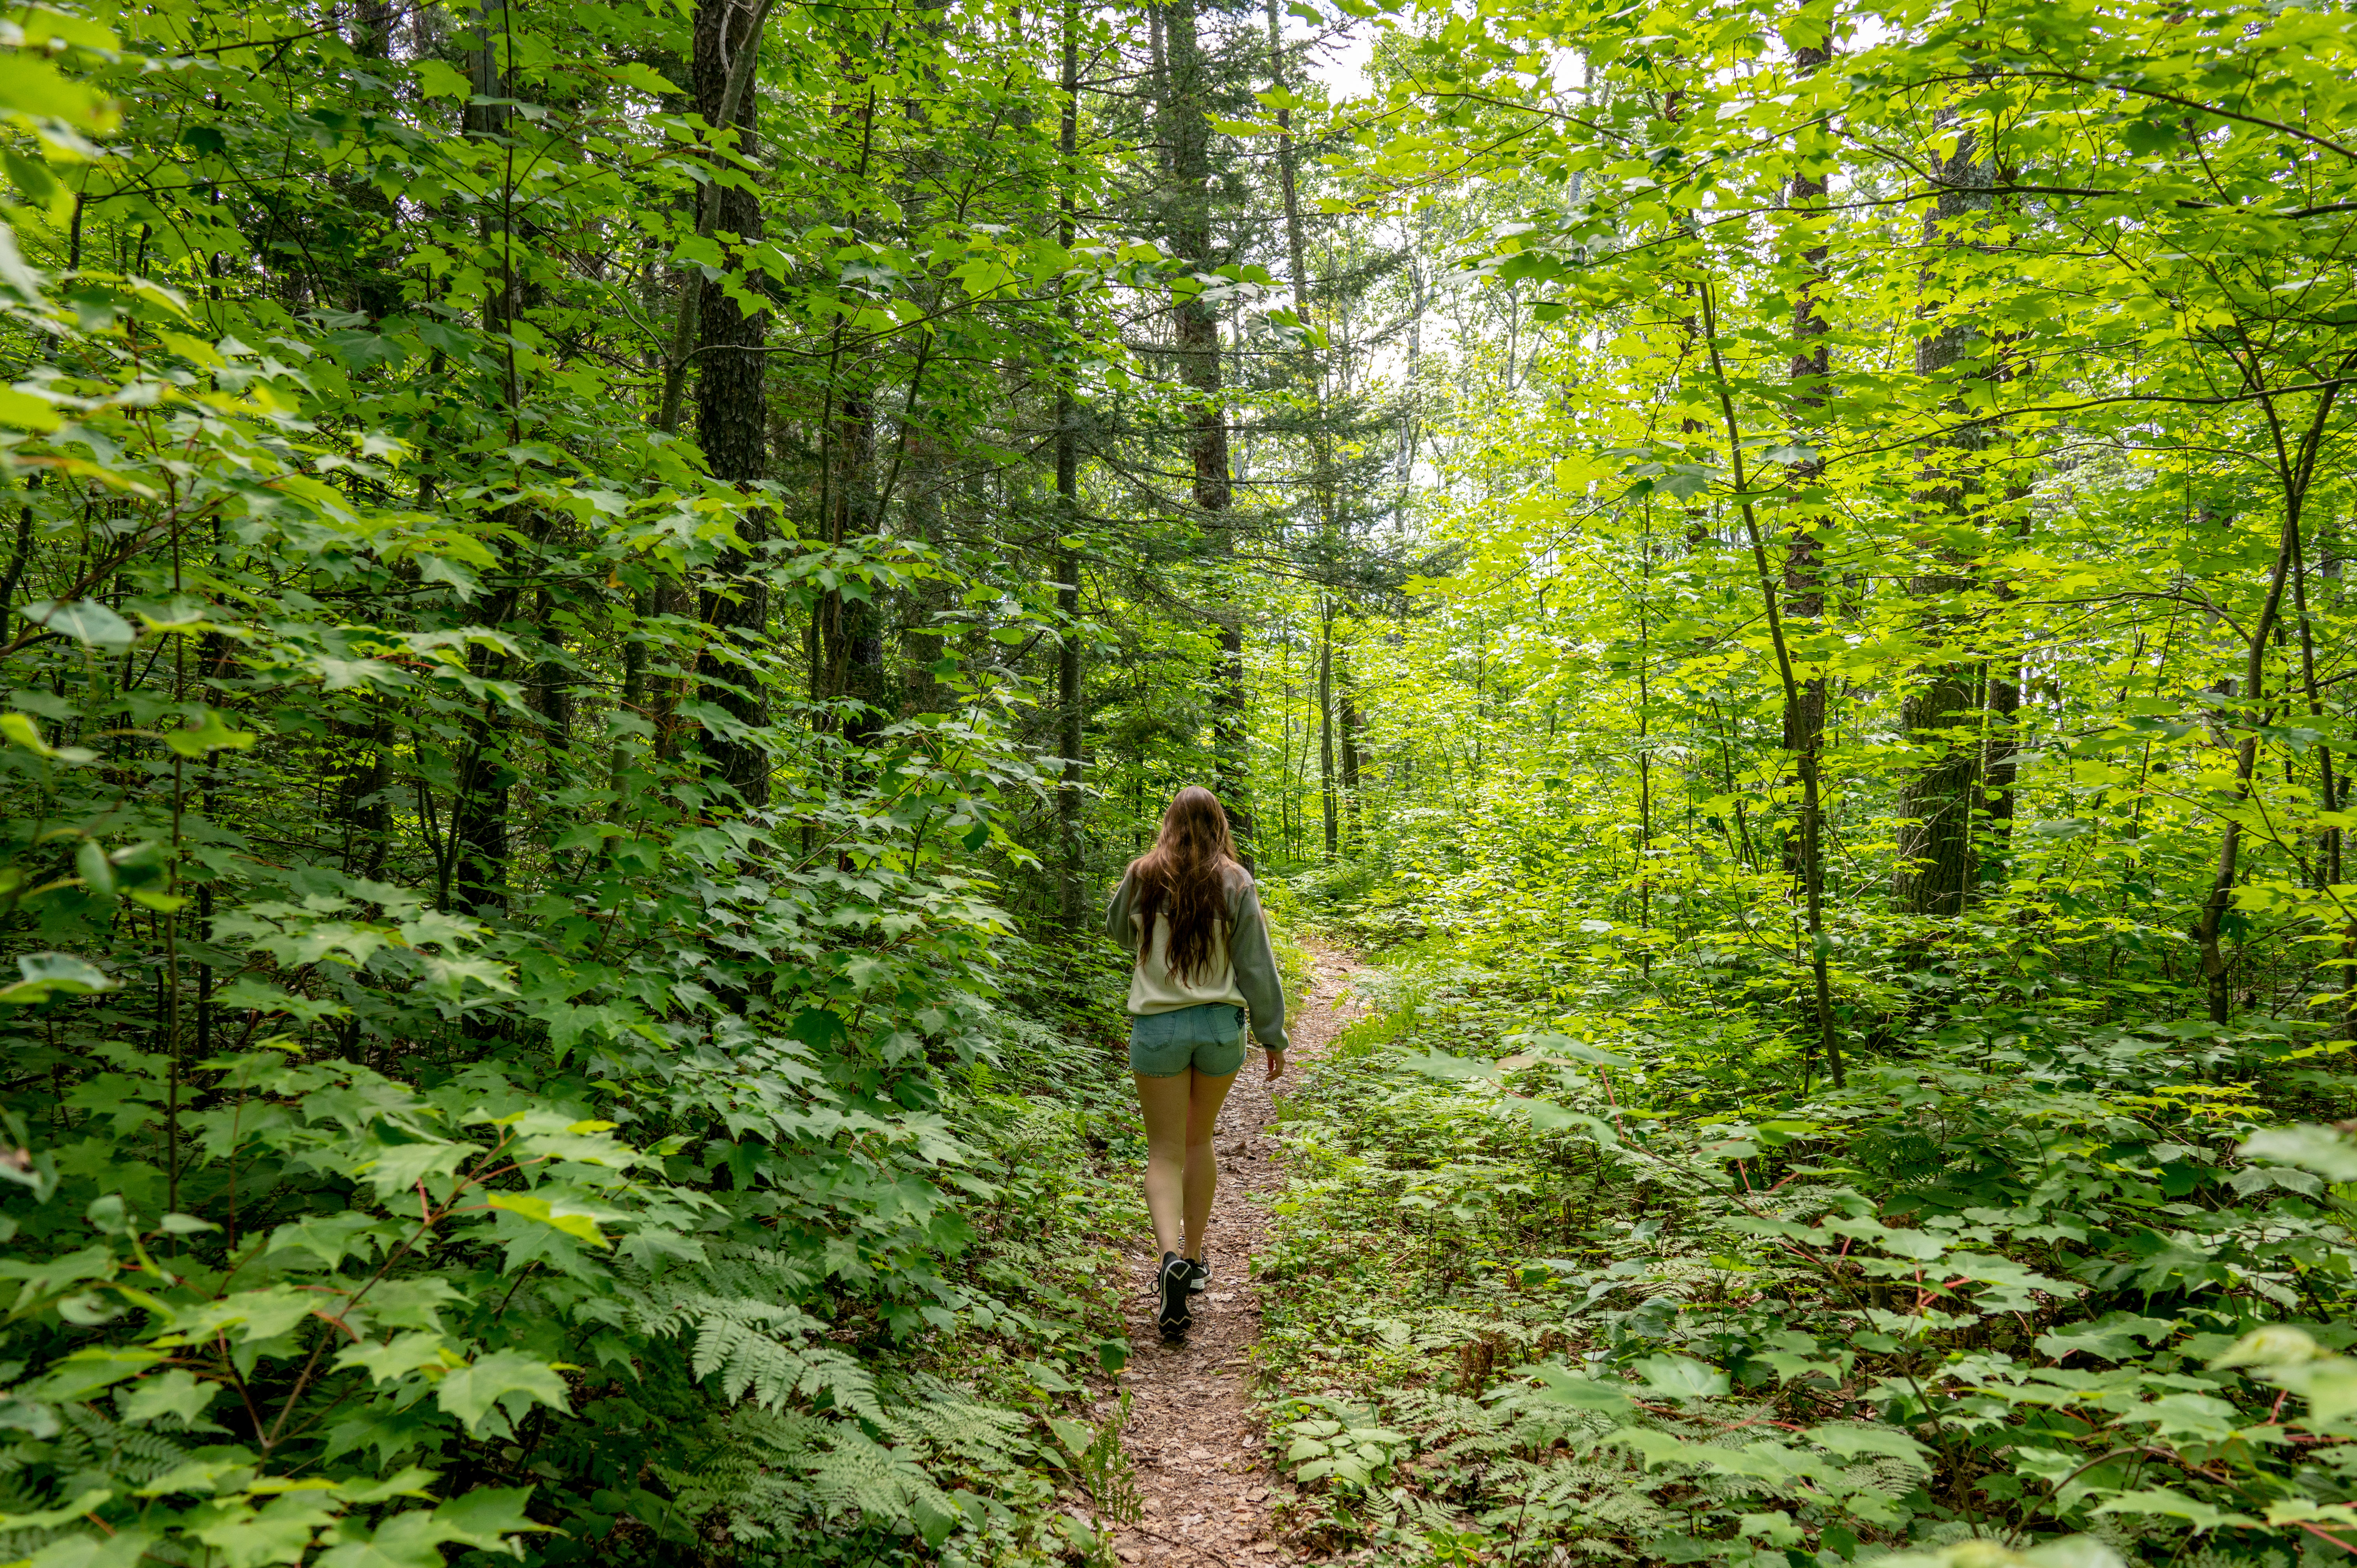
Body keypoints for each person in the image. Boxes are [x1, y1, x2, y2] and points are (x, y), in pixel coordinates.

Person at [1104, 785, 1288, 1342]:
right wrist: (1272, 1034)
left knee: (1162, 1150)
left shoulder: (1143, 874)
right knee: (1196, 1140)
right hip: (1217, 1028)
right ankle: (1195, 1257)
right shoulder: (1235, 880)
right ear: (1219, 825)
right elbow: (1256, 965)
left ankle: (1168, 1263)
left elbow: (1116, 930)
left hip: (1157, 1027)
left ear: (1170, 823)